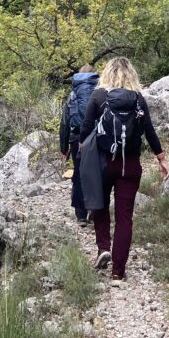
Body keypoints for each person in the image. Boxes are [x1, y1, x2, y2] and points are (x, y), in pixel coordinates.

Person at [79, 57, 168, 280]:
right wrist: (161, 158)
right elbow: (149, 130)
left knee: (99, 206)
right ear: (132, 75)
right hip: (130, 164)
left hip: (103, 162)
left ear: (107, 73)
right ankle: (118, 271)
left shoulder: (98, 95)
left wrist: (83, 152)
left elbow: (86, 128)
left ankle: (103, 247)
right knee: (124, 216)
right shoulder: (138, 98)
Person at [59, 64, 100, 224]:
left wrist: (63, 147)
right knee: (97, 173)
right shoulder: (101, 91)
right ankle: (96, 211)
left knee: (79, 174)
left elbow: (64, 122)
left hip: (77, 139)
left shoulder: (72, 95)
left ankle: (81, 214)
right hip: (97, 137)